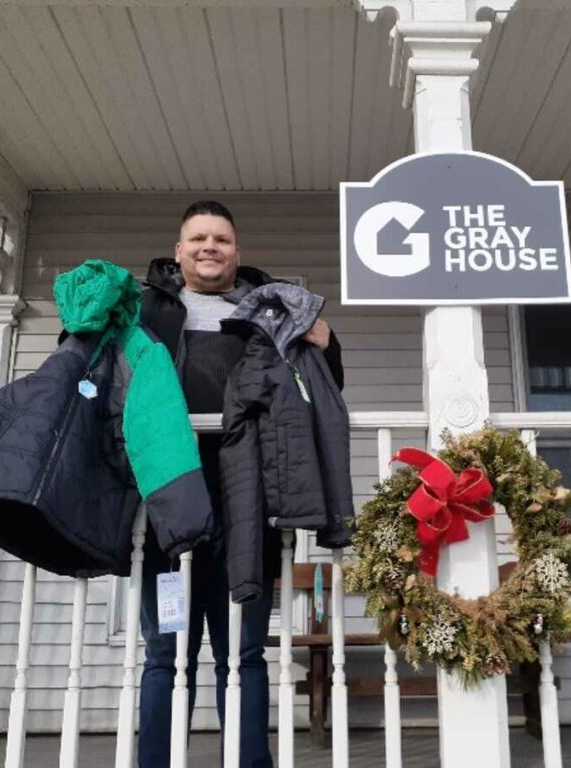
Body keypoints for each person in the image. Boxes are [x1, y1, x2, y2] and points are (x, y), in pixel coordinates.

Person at [136, 200, 343, 768]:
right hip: (166, 506)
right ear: (178, 253)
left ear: (237, 252)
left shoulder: (271, 311)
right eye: (198, 238)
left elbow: (321, 385)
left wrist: (329, 343)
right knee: (163, 653)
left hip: (245, 506)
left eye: (221, 239)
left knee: (243, 654)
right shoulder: (146, 310)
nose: (210, 247)